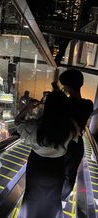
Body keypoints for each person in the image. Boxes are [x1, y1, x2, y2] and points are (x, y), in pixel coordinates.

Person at [15, 91, 79, 218]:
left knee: (31, 197)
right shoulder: (70, 128)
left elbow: (18, 122)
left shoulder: (35, 127)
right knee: (53, 199)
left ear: (47, 107)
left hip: (36, 167)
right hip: (57, 169)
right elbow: (76, 138)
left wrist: (29, 107)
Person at [59, 69, 93, 200]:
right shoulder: (88, 104)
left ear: (67, 86)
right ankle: (63, 198)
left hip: (64, 143)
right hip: (78, 145)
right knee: (69, 175)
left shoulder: (64, 104)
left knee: (59, 171)